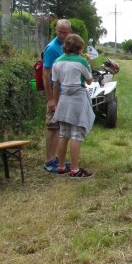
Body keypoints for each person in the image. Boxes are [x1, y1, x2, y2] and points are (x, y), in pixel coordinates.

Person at [52, 33, 95, 178]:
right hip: (78, 98)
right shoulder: (81, 61)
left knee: (63, 134)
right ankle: (75, 169)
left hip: (64, 98)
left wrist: (56, 103)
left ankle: (61, 166)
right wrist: (87, 63)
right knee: (76, 135)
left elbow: (55, 84)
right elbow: (89, 80)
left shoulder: (57, 61)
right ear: (79, 48)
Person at [42, 19, 73, 173]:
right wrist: (51, 99)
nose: (62, 35)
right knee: (53, 126)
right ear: (55, 30)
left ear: (70, 32)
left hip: (63, 92)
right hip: (56, 94)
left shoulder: (66, 47)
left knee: (58, 127)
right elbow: (46, 75)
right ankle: (49, 160)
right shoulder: (52, 48)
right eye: (59, 32)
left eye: (65, 32)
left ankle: (55, 157)